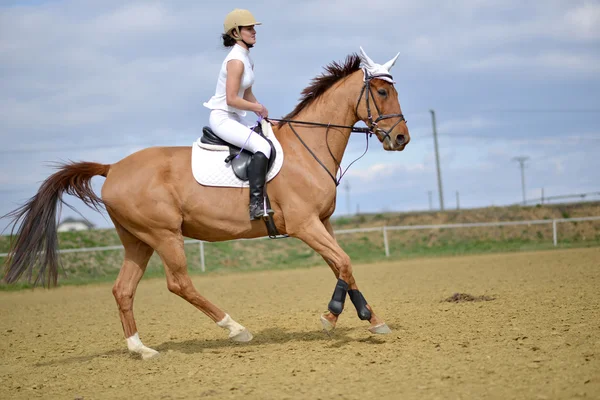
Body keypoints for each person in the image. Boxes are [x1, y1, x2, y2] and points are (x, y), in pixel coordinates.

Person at [203, 9, 273, 221]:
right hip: (223, 117)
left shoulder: (246, 58)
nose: (254, 32)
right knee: (262, 146)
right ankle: (255, 204)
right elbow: (232, 99)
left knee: (271, 134)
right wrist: (257, 109)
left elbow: (247, 93)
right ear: (236, 32)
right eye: (249, 28)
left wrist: (262, 110)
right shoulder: (235, 60)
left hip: (235, 116)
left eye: (254, 28)